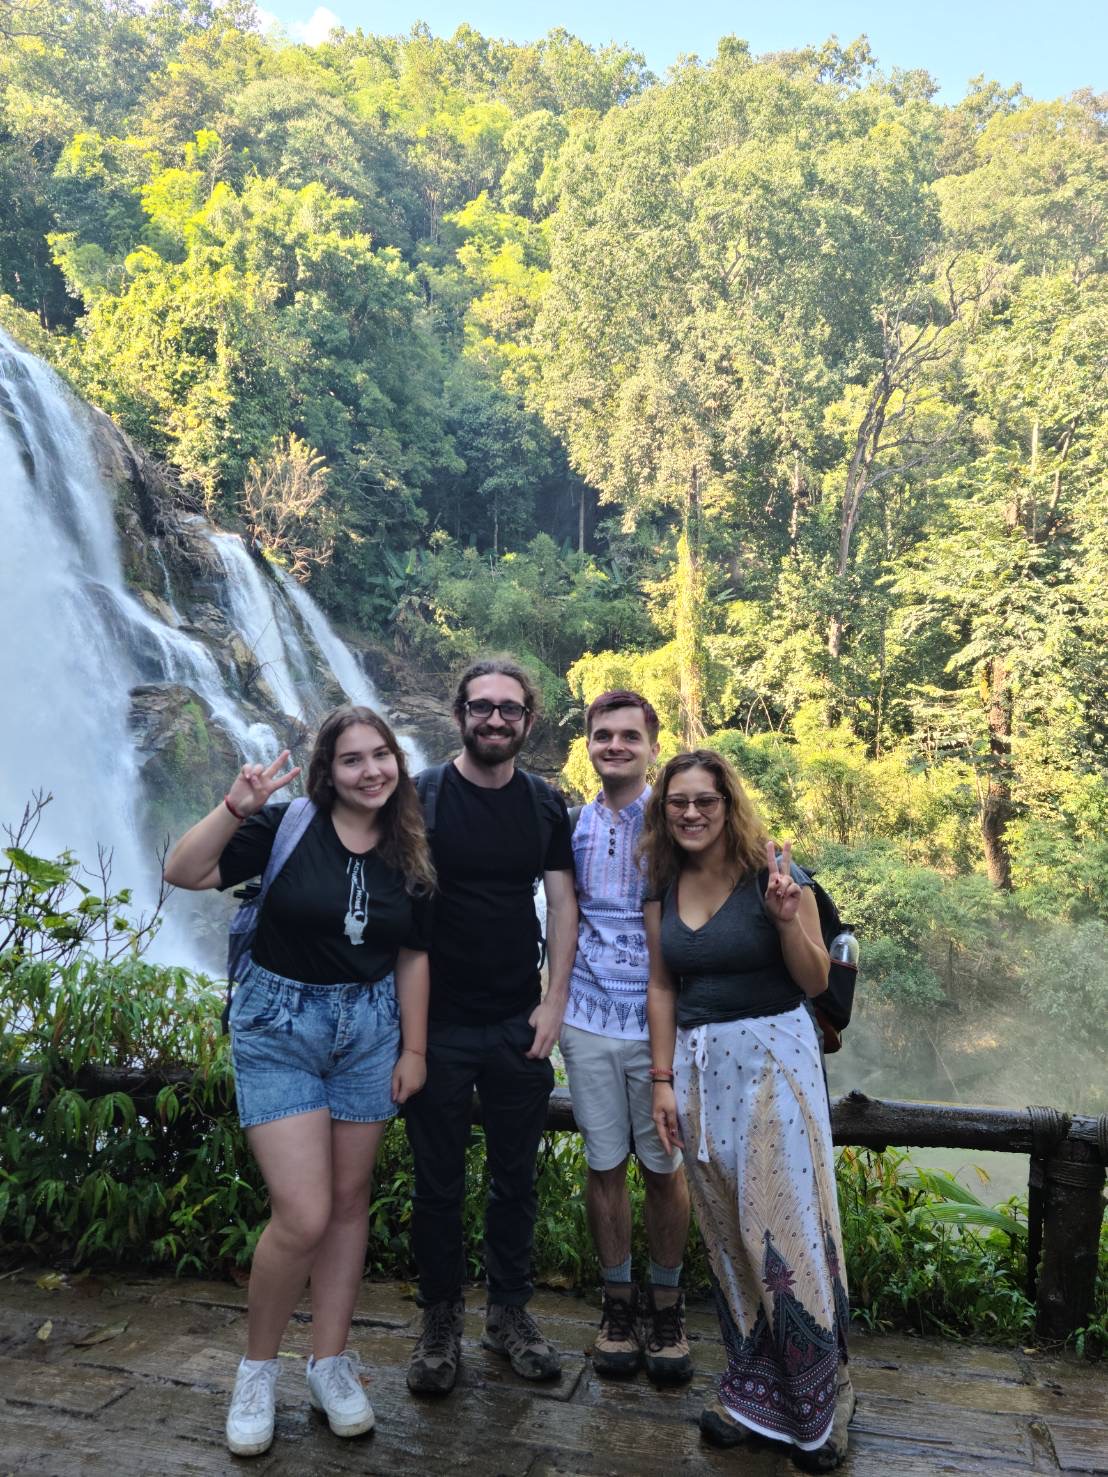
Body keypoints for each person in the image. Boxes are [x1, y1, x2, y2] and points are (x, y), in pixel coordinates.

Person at [163, 706, 432, 1458]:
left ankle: (330, 1363)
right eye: (353, 759)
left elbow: (413, 952)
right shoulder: (285, 825)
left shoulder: (410, 842)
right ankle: (256, 1371)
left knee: (349, 1203)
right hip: (278, 1024)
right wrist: (233, 807)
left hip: (371, 1029)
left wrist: (413, 1048)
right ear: (328, 770)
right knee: (304, 1213)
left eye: (382, 755)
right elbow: (182, 871)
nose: (371, 770)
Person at [642, 750, 854, 1472]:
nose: (692, 812)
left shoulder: (774, 873)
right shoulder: (664, 880)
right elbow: (663, 985)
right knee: (727, 1225)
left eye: (706, 800)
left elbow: (817, 977)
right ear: (663, 809)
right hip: (699, 1071)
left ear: (729, 805)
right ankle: (753, 1391)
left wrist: (786, 917)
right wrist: (662, 1080)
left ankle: (822, 1403)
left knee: (784, 1223)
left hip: (772, 1061)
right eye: (678, 802)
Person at [404, 657, 578, 1394]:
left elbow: (563, 902)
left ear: (528, 721)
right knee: (437, 1184)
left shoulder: (543, 804)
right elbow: (404, 923)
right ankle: (438, 1322)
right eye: (483, 707)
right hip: (438, 1025)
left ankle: (508, 1314)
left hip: (517, 1022)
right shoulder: (424, 796)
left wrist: (554, 998)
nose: (496, 719)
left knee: (517, 1179)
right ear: (461, 715)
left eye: (510, 709)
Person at [561, 690, 692, 1383]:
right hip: (585, 1020)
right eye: (603, 735)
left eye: (629, 737)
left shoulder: (674, 824)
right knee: (604, 1163)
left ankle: (666, 1306)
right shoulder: (571, 825)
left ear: (651, 746)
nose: (615, 745)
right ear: (588, 744)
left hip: (660, 1026)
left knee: (665, 1168)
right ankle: (617, 1303)